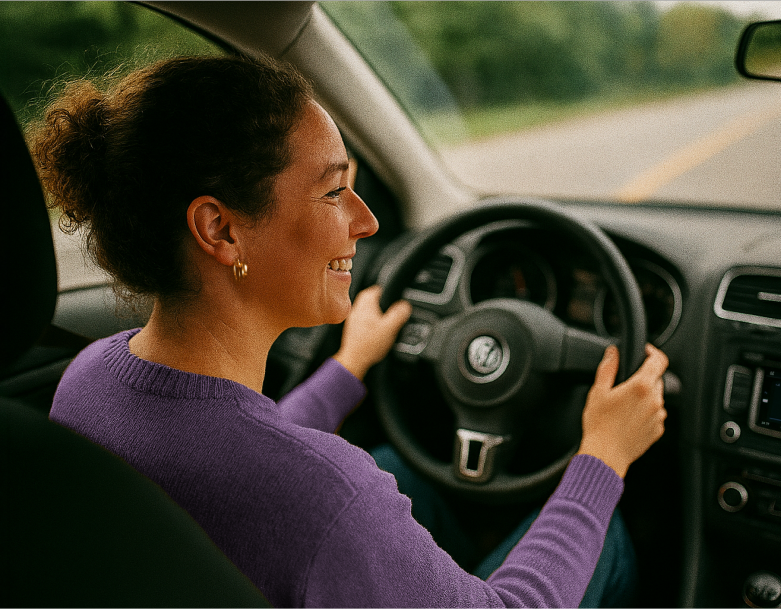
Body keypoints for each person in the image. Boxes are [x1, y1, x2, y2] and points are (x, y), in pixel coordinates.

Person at [34, 54, 668, 609]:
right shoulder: (321, 495)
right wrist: (602, 457)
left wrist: (350, 367)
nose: (364, 222)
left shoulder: (92, 380)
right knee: (603, 535)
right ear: (221, 231)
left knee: (398, 466)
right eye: (334, 191)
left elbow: (238, 449)